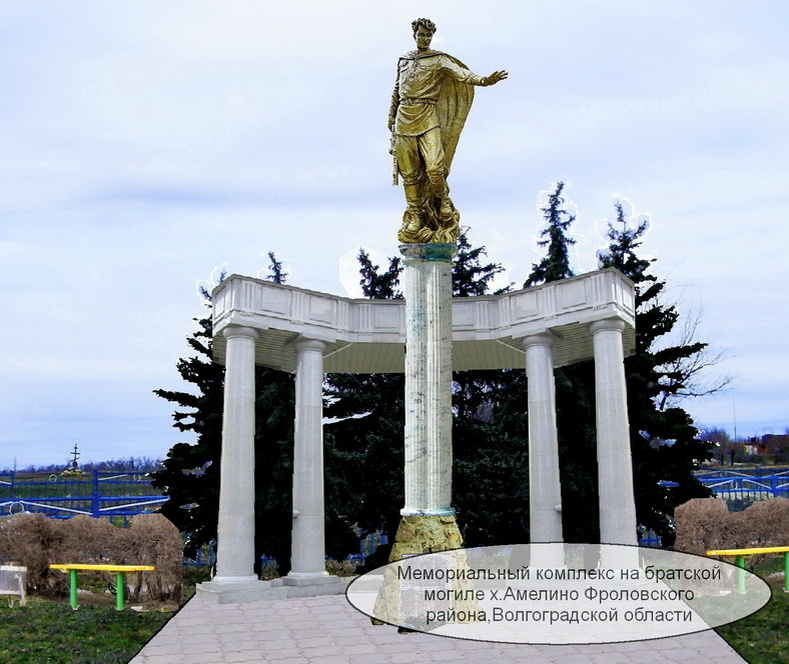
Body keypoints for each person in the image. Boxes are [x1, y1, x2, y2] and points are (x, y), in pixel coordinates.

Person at [389, 18, 507, 244]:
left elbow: (463, 75)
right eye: (421, 35)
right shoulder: (404, 59)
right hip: (404, 118)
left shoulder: (439, 60)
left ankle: (443, 201)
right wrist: (391, 118)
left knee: (435, 167)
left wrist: (485, 80)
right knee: (410, 172)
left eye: (428, 36)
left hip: (427, 114)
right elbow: (397, 89)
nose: (424, 39)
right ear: (414, 35)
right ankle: (415, 214)